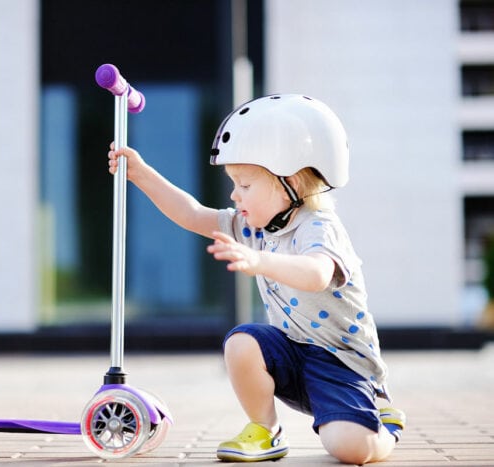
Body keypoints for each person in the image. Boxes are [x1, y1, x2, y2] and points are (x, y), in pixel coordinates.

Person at [107, 94, 405, 463]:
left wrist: (257, 260)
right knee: (242, 342)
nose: (234, 194)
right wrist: (140, 173)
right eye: (234, 183)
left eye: (245, 185)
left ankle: (385, 422)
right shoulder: (252, 225)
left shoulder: (318, 227)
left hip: (342, 364)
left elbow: (316, 273)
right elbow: (193, 214)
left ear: (290, 183)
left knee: (351, 450)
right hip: (294, 353)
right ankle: (266, 430)